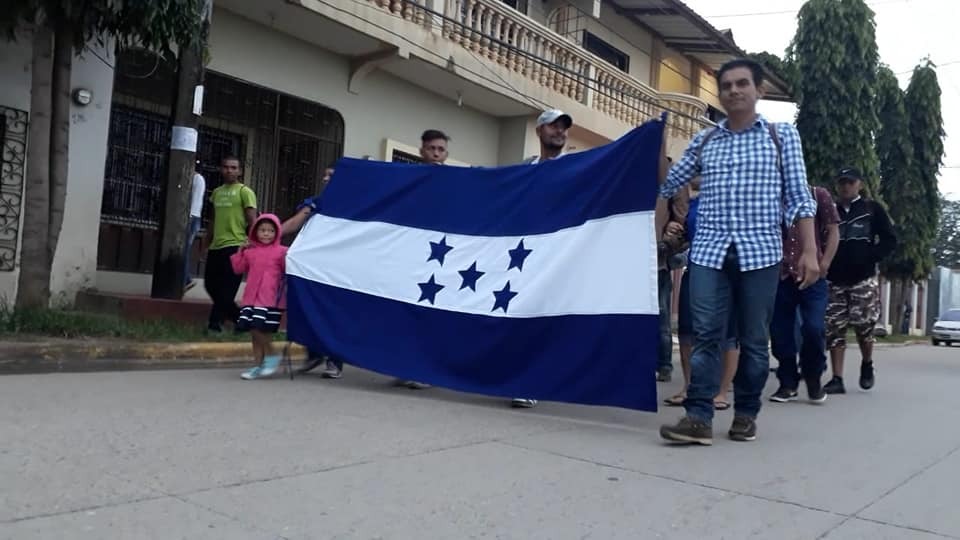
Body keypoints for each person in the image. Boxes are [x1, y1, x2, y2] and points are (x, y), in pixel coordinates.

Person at [658, 58, 819, 446]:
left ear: (758, 90)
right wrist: (652, 147)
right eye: (727, 85)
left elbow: (799, 198)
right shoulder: (705, 140)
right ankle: (698, 417)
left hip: (760, 254)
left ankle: (746, 413)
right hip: (709, 253)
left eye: (742, 84)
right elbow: (669, 184)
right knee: (705, 336)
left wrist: (810, 251)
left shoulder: (782, 137)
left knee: (752, 340)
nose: (733, 91)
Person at [285, 130, 452, 383]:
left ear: (446, 153)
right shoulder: (405, 179)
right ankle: (326, 353)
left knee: (415, 316)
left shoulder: (457, 183)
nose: (436, 154)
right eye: (431, 149)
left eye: (440, 149)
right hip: (377, 261)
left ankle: (413, 370)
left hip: (427, 260)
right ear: (421, 151)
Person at [510, 109, 573, 409]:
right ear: (539, 131)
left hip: (559, 256)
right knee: (522, 317)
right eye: (553, 126)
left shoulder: (577, 168)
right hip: (524, 256)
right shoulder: (524, 168)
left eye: (563, 128)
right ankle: (523, 380)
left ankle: (535, 379)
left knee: (546, 320)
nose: (559, 132)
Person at [662, 178, 739, 410]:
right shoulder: (693, 206)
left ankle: (722, 391)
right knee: (687, 331)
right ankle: (689, 386)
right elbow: (683, 239)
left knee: (728, 332)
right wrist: (673, 231)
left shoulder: (733, 202)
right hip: (695, 269)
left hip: (727, 271)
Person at [823, 167, 896, 394]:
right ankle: (837, 378)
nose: (846, 186)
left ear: (860, 185)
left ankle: (867, 364)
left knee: (864, 326)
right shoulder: (829, 210)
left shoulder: (871, 209)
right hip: (834, 279)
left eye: (850, 182)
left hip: (862, 279)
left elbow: (889, 239)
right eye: (842, 182)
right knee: (835, 329)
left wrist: (870, 257)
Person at [768, 184, 839, 404]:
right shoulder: (770, 194)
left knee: (814, 327)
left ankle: (813, 376)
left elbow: (834, 230)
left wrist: (825, 262)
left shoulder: (818, 194)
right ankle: (787, 382)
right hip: (780, 275)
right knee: (781, 332)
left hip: (812, 275)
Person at [203, 156, 257, 333]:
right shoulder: (216, 193)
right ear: (221, 169)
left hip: (236, 246)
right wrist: (206, 241)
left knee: (227, 288)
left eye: (234, 168)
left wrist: (252, 244)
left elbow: (253, 221)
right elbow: (212, 219)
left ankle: (214, 325)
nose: (229, 171)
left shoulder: (245, 192)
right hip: (216, 247)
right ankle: (241, 320)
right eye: (226, 167)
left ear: (240, 171)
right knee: (210, 285)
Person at [231, 214, 288, 380]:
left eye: (270, 231)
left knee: (261, 330)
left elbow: (287, 269)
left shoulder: (282, 251)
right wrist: (240, 251)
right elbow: (238, 269)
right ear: (255, 232)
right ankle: (257, 365)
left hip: (270, 299)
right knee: (253, 331)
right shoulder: (250, 252)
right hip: (250, 298)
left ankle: (271, 356)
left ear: (276, 233)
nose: (266, 234)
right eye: (262, 230)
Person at [183, 165, 206, 293]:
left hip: (192, 216)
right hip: (193, 216)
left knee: (184, 249)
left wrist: (189, 216)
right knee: (184, 249)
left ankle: (186, 279)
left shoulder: (197, 179)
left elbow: (195, 201)